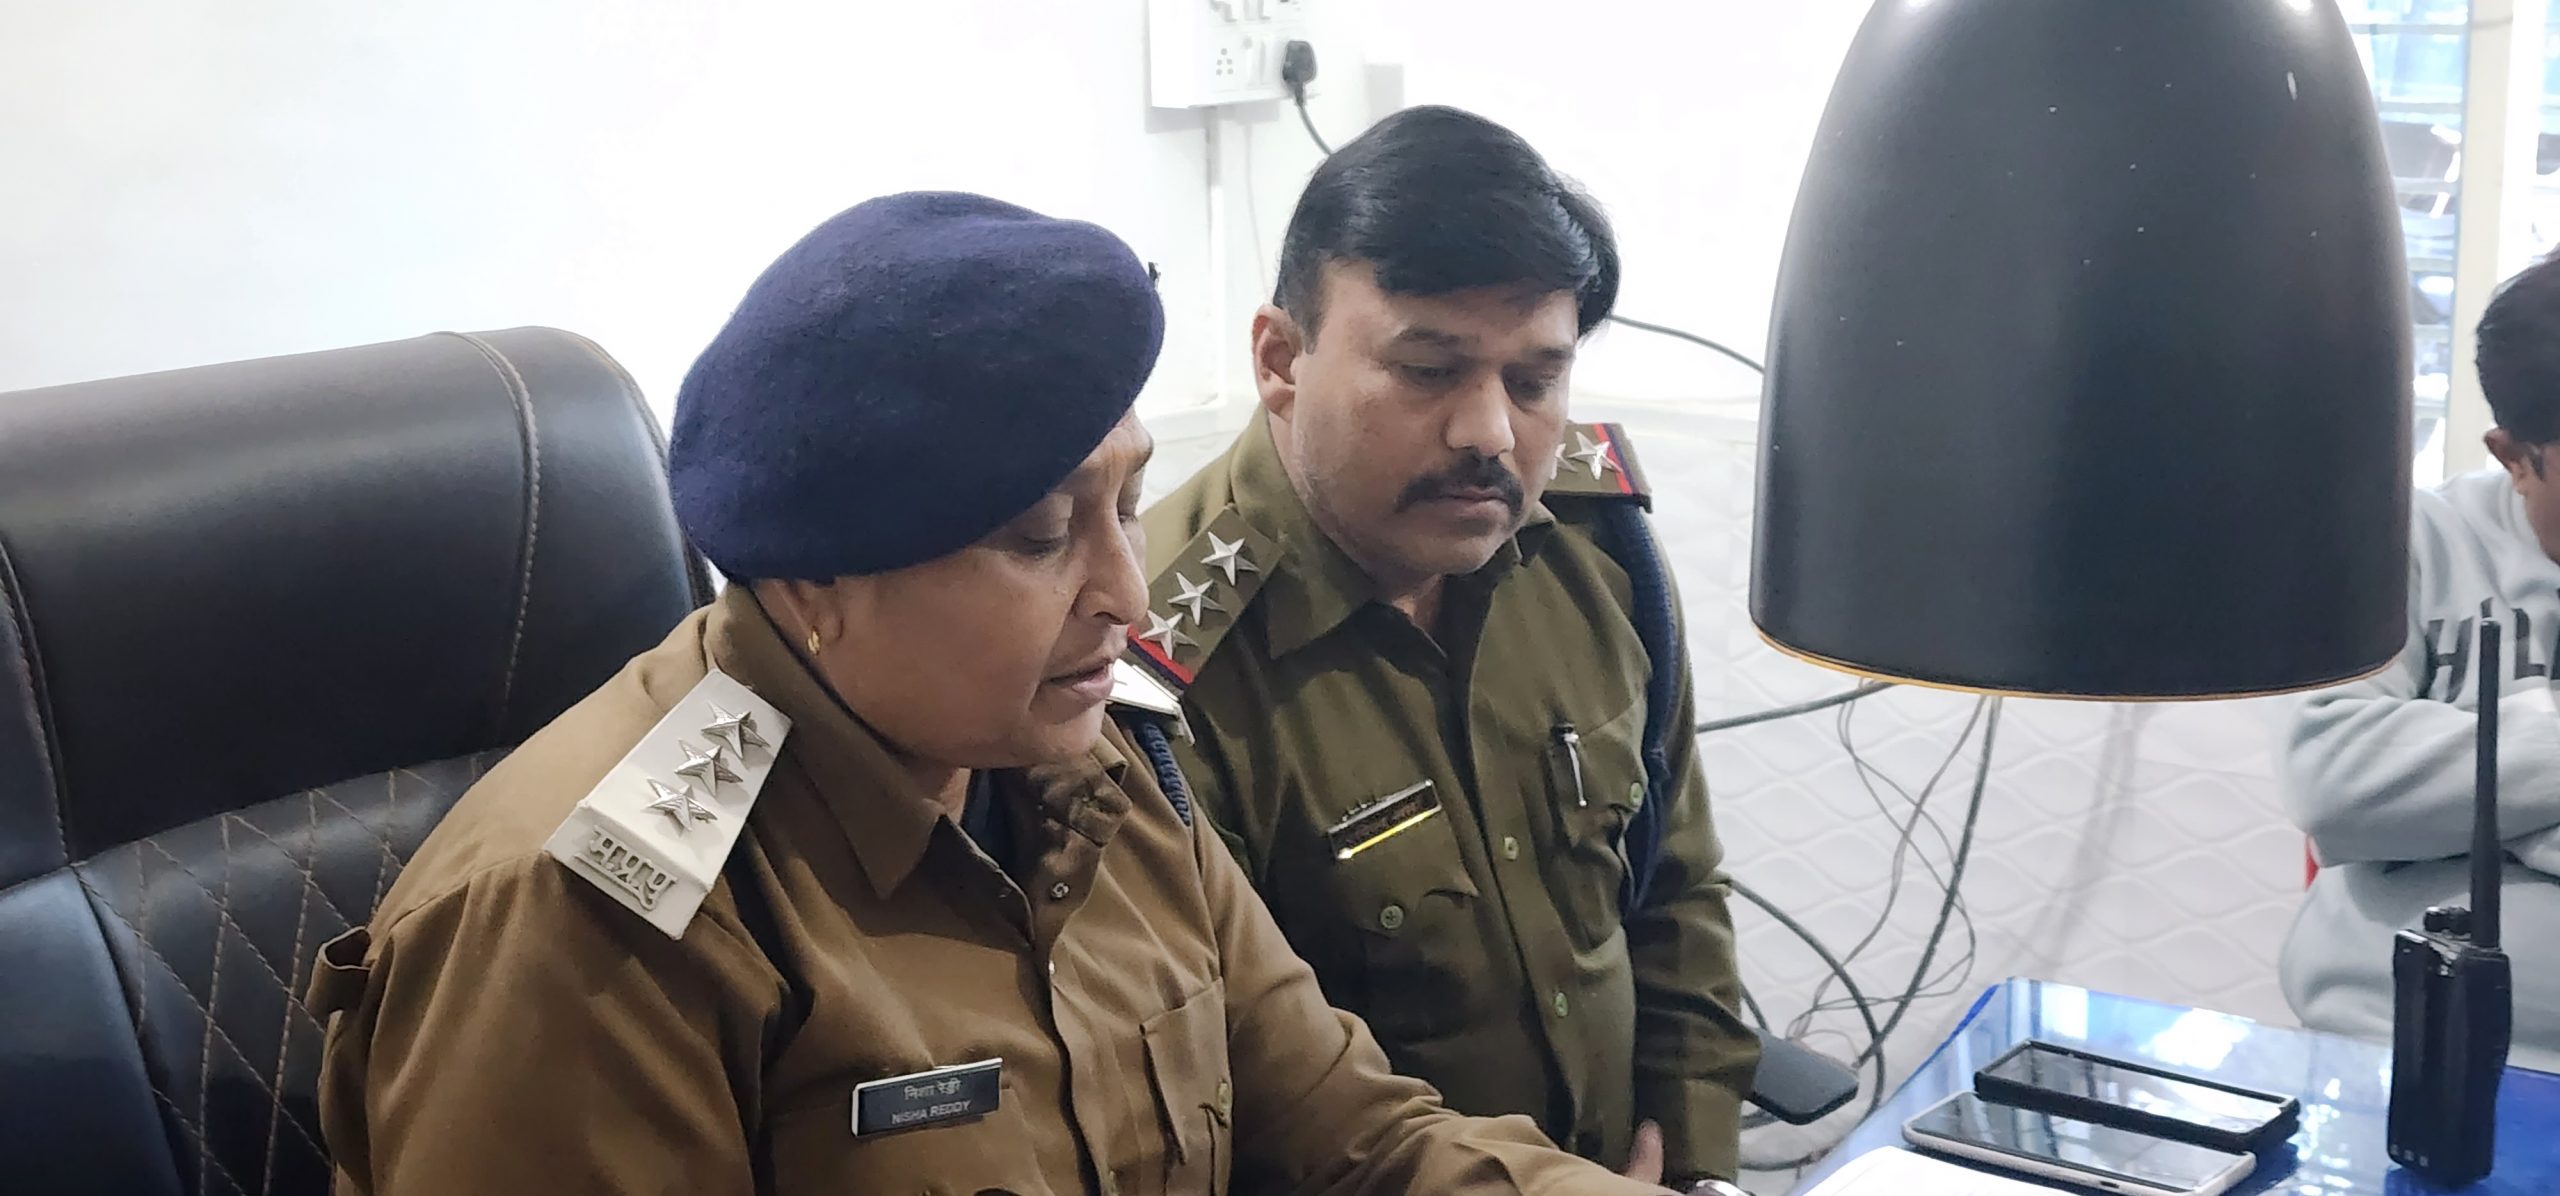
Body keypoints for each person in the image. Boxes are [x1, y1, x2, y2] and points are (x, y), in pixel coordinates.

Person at [306, 191, 1682, 1194]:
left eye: (1128, 505)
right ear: (818, 579)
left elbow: (1359, 1140)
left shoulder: (1099, 765)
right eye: (1037, 538)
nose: (1128, 596)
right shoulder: (595, 914)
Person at [1130, 106, 1759, 1189]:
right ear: (1280, 358)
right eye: (1428, 370)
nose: (1490, 433)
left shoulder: (1600, 555)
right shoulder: (1152, 662)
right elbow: (1235, 1083)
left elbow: (1675, 893)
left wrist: (1697, 1166)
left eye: (1534, 380)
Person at [2281, 254, 2560, 1072]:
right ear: (2513, 456)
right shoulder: (2403, 544)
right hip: (2385, 1048)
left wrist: (2465, 799)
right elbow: (2335, 781)